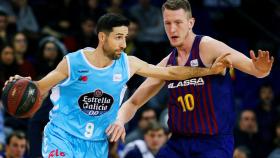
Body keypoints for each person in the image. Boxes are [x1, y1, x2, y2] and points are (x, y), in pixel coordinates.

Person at [4, 13, 229, 158]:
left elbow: (170, 72)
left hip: (96, 145)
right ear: (102, 38)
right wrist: (20, 84)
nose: (124, 43)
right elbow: (39, 87)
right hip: (63, 137)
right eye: (118, 37)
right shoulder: (73, 62)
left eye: (126, 37)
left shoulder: (128, 64)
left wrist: (208, 70)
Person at [106, 0, 274, 157]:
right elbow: (134, 102)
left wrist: (261, 69)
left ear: (190, 23)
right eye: (167, 23)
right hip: (178, 142)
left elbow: (254, 69)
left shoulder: (207, 46)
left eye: (178, 23)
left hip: (213, 143)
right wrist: (119, 120)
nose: (172, 29)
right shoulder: (168, 63)